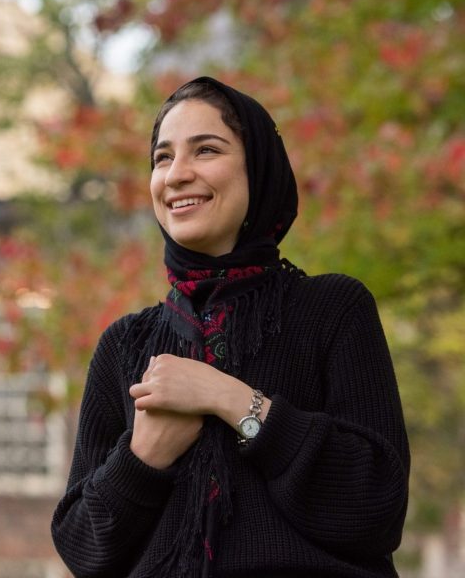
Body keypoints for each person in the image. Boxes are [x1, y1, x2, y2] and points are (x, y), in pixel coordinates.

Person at [51, 77, 410, 578]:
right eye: (162, 157)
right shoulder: (124, 345)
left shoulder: (332, 309)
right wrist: (145, 456)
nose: (176, 175)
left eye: (206, 150)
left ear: (257, 169)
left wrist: (234, 401)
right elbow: (83, 548)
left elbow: (376, 507)